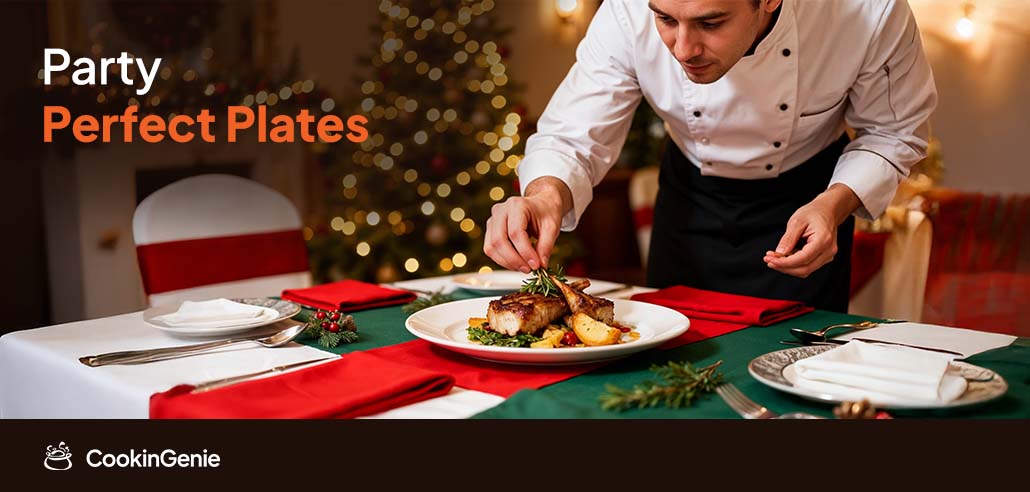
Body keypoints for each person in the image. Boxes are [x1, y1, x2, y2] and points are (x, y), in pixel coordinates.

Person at [483, 0, 936, 311]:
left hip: (809, 201)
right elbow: (572, 135)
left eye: (710, 23)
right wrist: (544, 196)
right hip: (690, 201)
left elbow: (894, 132)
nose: (683, 49)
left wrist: (833, 205)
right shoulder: (625, 11)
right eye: (665, 20)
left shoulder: (868, 11)